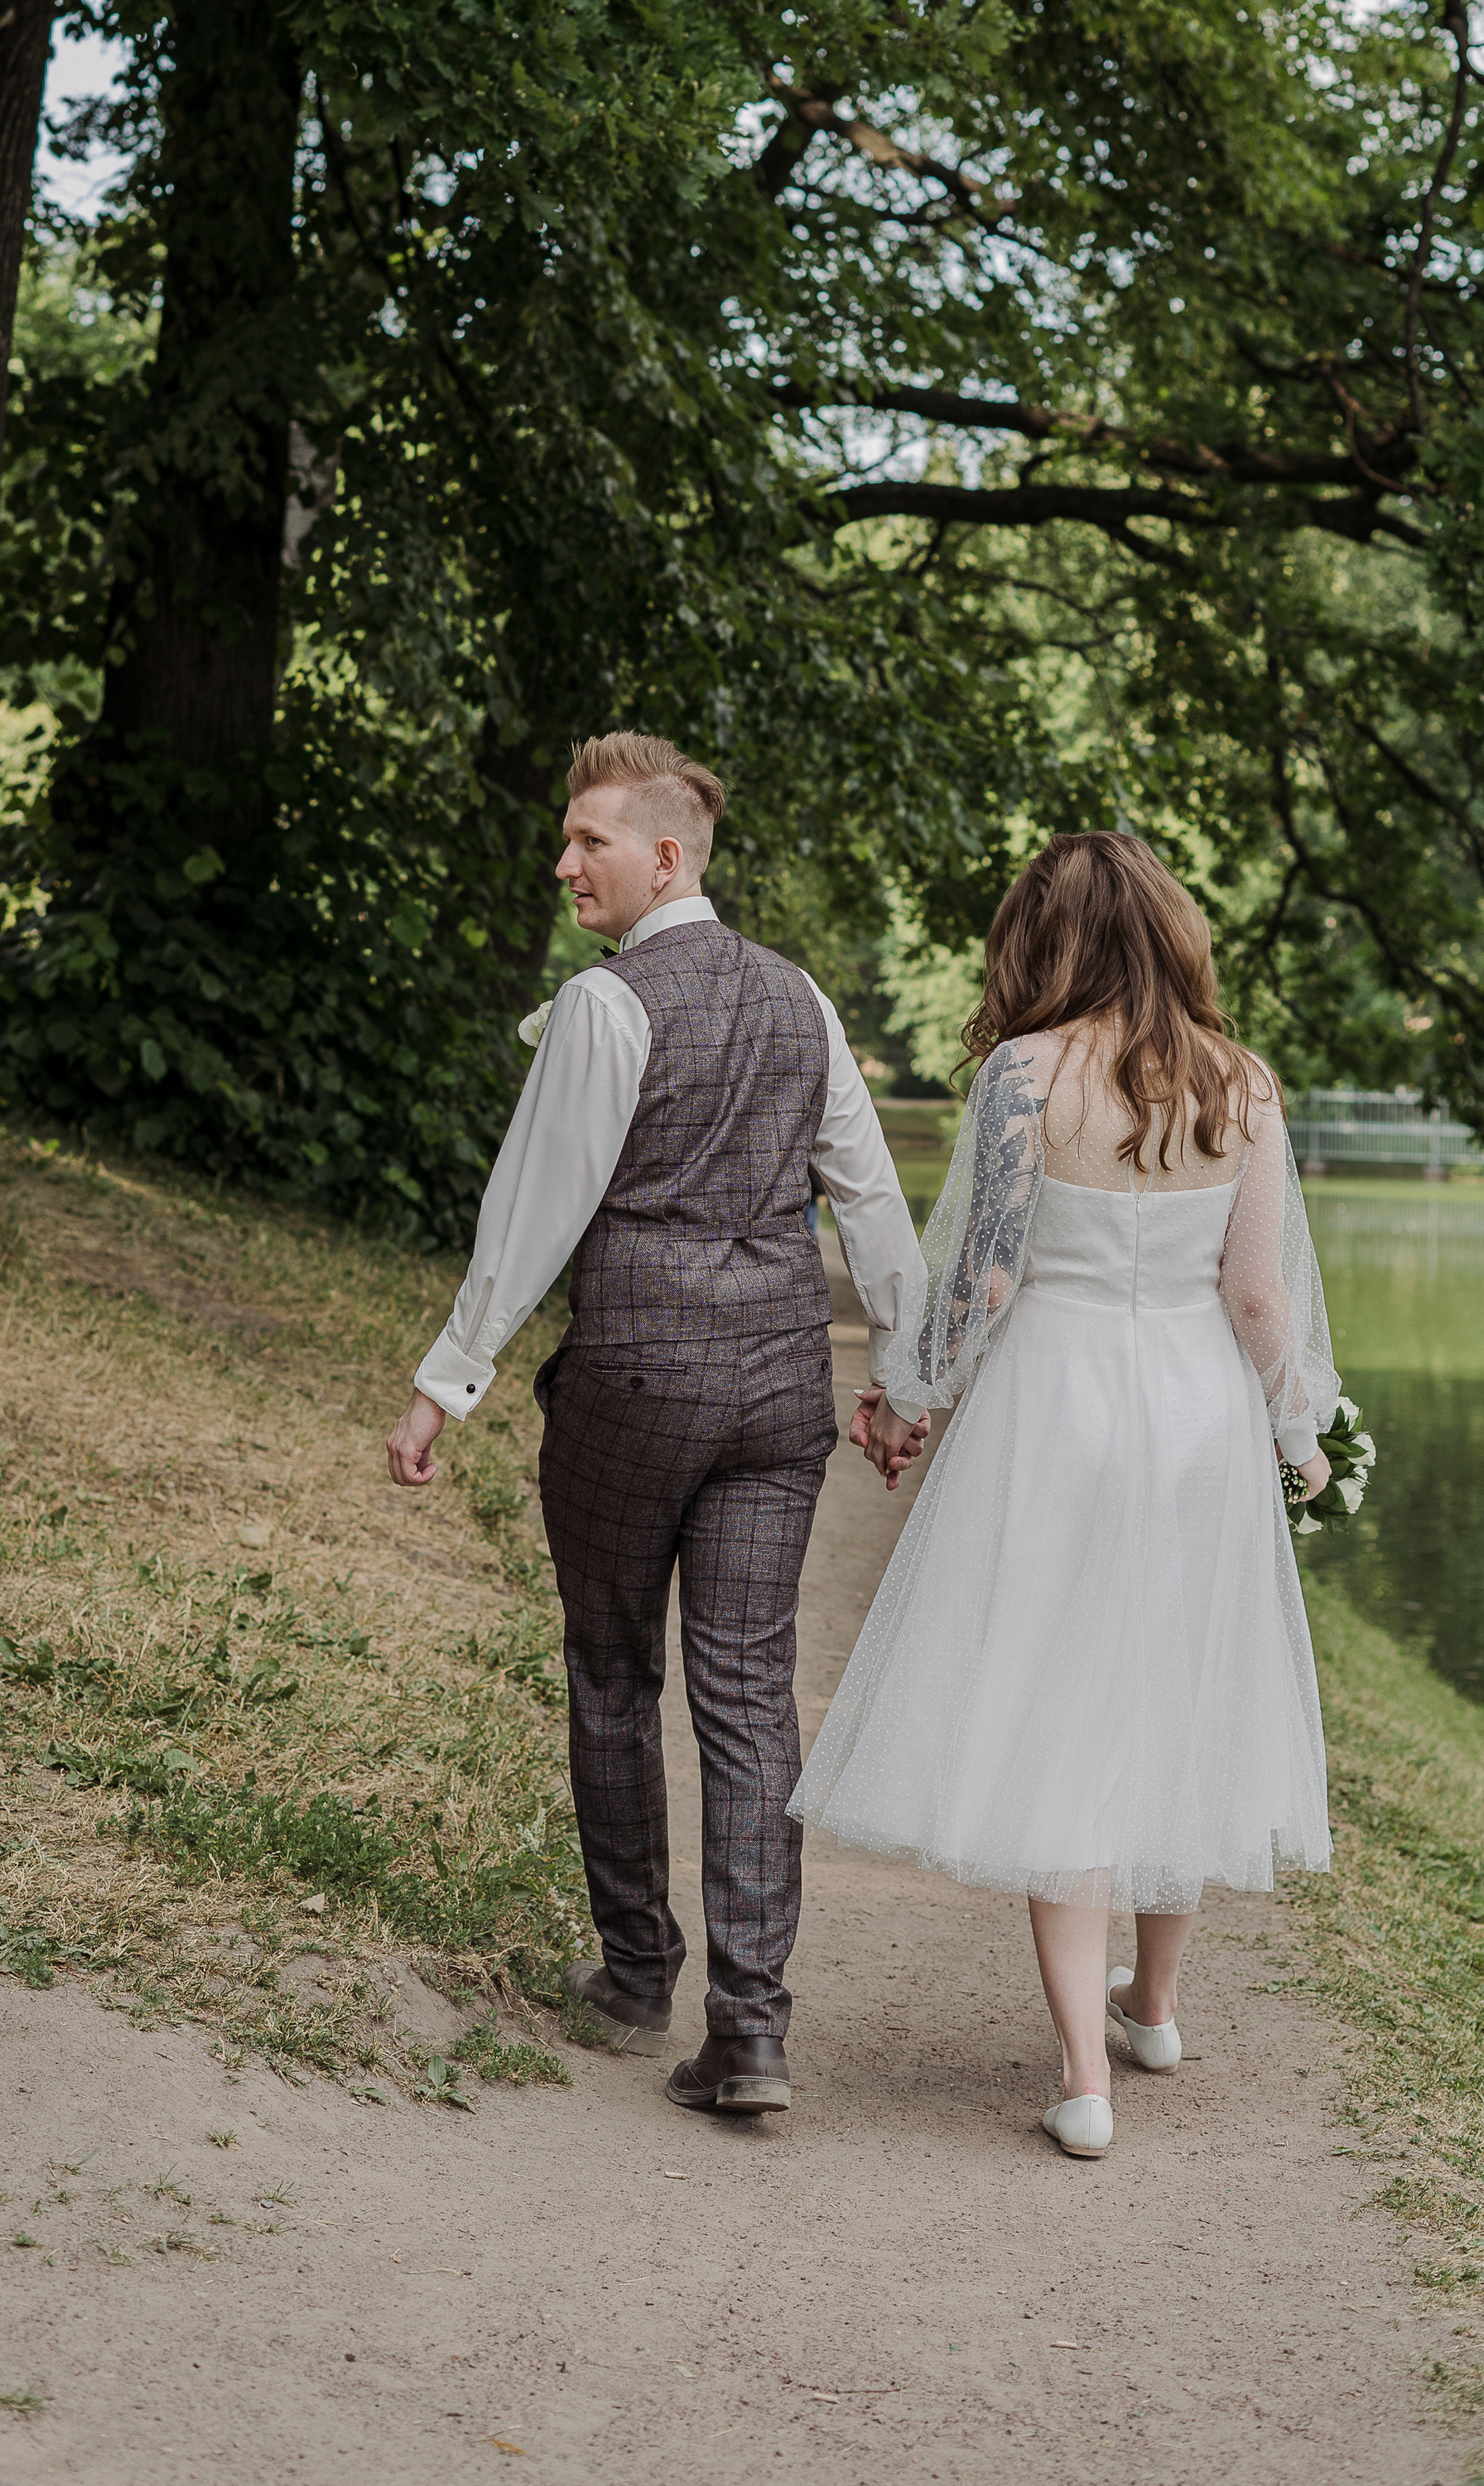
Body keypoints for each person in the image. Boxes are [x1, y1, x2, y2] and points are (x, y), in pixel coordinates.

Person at [389, 731, 927, 2113]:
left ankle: (638, 1973)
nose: (564, 863)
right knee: (749, 1697)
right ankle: (750, 2030)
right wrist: (908, 1378)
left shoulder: (604, 1006)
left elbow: (532, 1211)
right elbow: (867, 1200)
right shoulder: (800, 998)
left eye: (589, 842)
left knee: (616, 1673)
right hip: (772, 1388)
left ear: (666, 856)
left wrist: (448, 1382)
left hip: (633, 1380)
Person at [791, 831, 1337, 2160]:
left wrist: (904, 1397)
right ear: (1171, 931)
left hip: (1058, 1411)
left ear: (1049, 938)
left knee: (1059, 1707)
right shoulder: (1244, 1082)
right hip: (1199, 1417)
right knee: (1175, 1690)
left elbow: (979, 1280)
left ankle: (1085, 2083)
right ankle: (1152, 2005)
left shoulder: (1021, 1078)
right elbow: (1258, 1298)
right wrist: (1296, 1429)